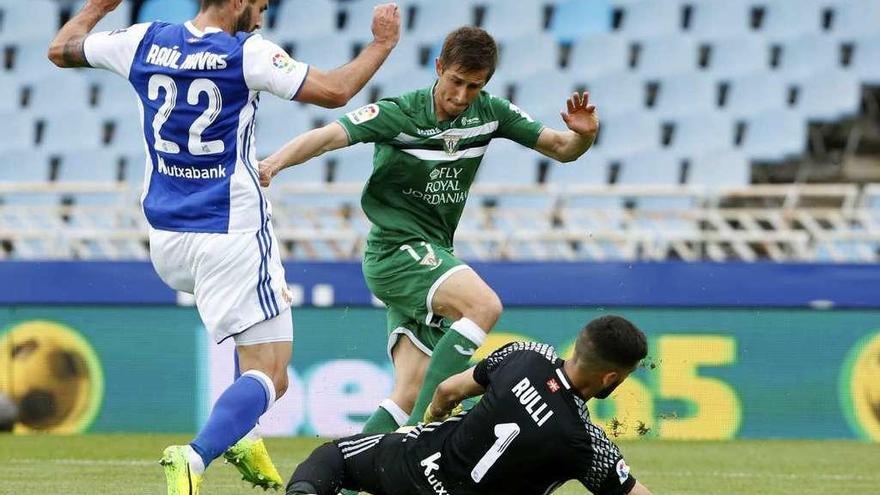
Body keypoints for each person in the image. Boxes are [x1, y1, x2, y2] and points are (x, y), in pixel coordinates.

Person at [47, 1, 401, 493]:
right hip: (230, 232)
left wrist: (102, 5)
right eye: (257, 7)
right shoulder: (246, 54)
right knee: (272, 374)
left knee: (248, 346)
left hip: (166, 239)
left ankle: (244, 438)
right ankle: (194, 457)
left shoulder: (143, 40)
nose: (259, 18)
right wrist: (383, 43)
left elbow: (60, 50)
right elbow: (337, 90)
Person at [258, 26, 601, 434]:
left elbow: (562, 149)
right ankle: (419, 436)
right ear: (439, 67)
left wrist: (585, 137)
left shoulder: (491, 114)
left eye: (473, 87)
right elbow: (327, 136)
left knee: (408, 390)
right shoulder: (399, 113)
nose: (460, 96)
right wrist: (273, 163)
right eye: (455, 81)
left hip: (431, 255)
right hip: (395, 251)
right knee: (483, 307)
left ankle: (343, 476)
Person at [285, 315, 652, 495]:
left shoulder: (527, 355)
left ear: (579, 345)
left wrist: (432, 418)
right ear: (611, 378)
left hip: (415, 471)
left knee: (333, 458)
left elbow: (446, 390)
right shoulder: (586, 443)